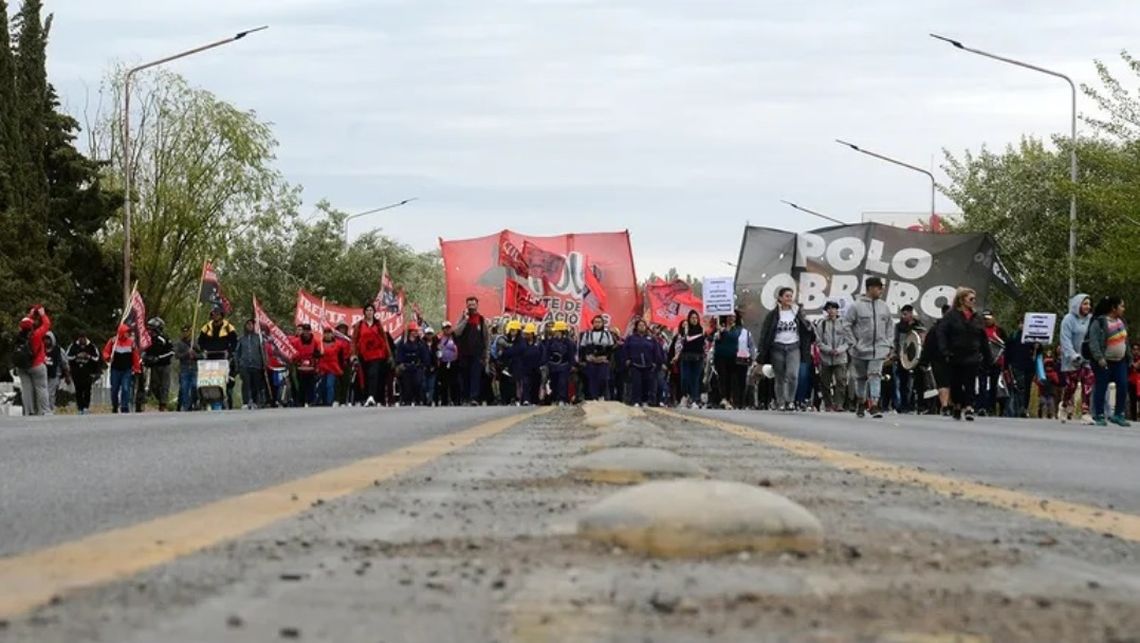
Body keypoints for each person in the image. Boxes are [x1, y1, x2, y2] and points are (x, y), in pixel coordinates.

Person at [937, 287, 990, 421]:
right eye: (971, 299)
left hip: (972, 354)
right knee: (956, 383)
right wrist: (944, 350)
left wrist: (987, 355)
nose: (973, 301)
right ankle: (957, 404)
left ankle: (969, 407)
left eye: (974, 299)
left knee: (970, 382)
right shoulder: (951, 316)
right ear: (962, 300)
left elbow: (983, 337)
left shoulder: (977, 317)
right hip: (955, 354)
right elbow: (941, 333)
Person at [757, 287, 814, 412]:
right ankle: (781, 401)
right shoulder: (772, 315)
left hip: (794, 347)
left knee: (793, 375)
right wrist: (761, 352)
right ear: (780, 298)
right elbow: (765, 334)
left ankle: (790, 401)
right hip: (777, 347)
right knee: (780, 376)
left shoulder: (797, 313)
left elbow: (807, 328)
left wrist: (805, 321)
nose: (789, 299)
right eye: (787, 296)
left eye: (791, 296)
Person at [844, 277, 893, 418]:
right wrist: (853, 343)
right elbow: (846, 325)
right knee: (860, 377)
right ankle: (861, 401)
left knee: (875, 374)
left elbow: (890, 325)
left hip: (879, 348)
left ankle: (874, 404)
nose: (881, 291)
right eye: (879, 288)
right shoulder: (856, 306)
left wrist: (889, 343)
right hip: (860, 349)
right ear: (870, 288)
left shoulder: (884, 306)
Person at [1087, 296, 1131, 427]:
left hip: (1120, 361)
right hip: (1104, 362)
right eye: (1121, 306)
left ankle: (1118, 414)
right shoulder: (1099, 322)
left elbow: (1125, 341)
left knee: (1123, 385)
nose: (1123, 309)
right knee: (1101, 387)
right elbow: (1093, 342)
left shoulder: (1121, 321)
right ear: (1113, 308)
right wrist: (1099, 358)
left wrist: (1128, 357)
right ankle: (1099, 414)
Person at [1059, 293, 1095, 424]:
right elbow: (1065, 339)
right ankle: (1064, 405)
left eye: (1089, 304)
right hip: (1072, 358)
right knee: (1071, 386)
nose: (1088, 306)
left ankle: (1085, 413)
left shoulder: (1091, 319)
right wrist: (1072, 354)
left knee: (1088, 383)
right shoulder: (1068, 319)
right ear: (1078, 305)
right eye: (1085, 304)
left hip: (1087, 358)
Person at [13, 305, 52, 416]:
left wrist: (30, 314)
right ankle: (44, 410)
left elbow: (25, 324)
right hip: (37, 364)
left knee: (26, 390)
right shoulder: (36, 335)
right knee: (41, 388)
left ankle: (28, 411)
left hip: (22, 366)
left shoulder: (18, 336)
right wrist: (42, 314)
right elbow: (47, 325)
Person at [198, 307, 239, 410]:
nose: (215, 316)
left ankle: (227, 401)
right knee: (208, 378)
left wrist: (230, 352)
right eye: (213, 314)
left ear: (221, 315)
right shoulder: (206, 327)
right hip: (209, 357)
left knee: (225, 380)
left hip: (223, 358)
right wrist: (203, 350)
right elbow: (200, 341)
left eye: (217, 314)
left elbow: (234, 341)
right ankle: (206, 398)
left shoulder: (229, 327)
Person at [353, 303, 393, 407]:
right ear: (364, 312)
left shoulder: (378, 324)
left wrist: (389, 355)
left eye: (371, 310)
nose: (369, 312)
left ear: (374, 312)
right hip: (364, 354)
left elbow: (384, 339)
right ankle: (367, 397)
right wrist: (353, 354)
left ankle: (372, 396)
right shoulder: (360, 325)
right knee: (365, 376)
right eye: (367, 310)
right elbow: (354, 340)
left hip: (377, 354)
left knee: (373, 374)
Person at [454, 296, 490, 406]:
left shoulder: (481, 319)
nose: (471, 307)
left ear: (477, 305)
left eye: (473, 304)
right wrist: (465, 320)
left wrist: (486, 355)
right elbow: (456, 332)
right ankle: (465, 398)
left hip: (477, 354)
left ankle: (474, 398)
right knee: (465, 376)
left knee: (475, 376)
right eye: (469, 304)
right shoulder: (462, 318)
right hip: (464, 353)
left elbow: (486, 338)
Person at [816, 301, 851, 412]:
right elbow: (818, 341)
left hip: (840, 358)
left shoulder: (844, 324)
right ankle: (828, 404)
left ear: (837, 310)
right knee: (825, 382)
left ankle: (839, 403)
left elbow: (848, 341)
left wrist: (839, 350)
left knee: (841, 380)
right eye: (829, 309)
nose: (831, 311)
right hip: (826, 358)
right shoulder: (822, 324)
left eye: (833, 309)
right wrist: (829, 350)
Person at [625, 319, 665, 407]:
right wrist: (627, 359)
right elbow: (626, 349)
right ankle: (636, 400)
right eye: (640, 325)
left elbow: (656, 351)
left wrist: (656, 362)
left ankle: (646, 400)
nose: (642, 327)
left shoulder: (651, 339)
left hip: (648, 365)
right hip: (635, 364)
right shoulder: (631, 338)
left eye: (643, 325)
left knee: (648, 383)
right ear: (636, 326)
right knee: (636, 383)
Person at [102, 324, 142, 414]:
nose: (128, 334)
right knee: (114, 389)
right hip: (115, 369)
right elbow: (105, 352)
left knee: (126, 388)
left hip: (126, 370)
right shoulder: (113, 341)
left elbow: (135, 356)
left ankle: (124, 406)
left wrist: (136, 368)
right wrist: (108, 357)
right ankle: (115, 405)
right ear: (122, 332)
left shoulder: (131, 343)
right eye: (127, 332)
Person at [975, 311, 1007, 417]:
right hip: (982, 362)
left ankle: (991, 408)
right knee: (982, 385)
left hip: (996, 362)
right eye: (984, 319)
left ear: (993, 318)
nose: (986, 321)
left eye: (988, 318)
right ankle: (981, 407)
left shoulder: (999, 330)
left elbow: (1006, 344)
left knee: (994, 386)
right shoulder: (979, 330)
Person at [892, 305, 924, 413]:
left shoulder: (918, 325)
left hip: (916, 357)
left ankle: (918, 404)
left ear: (911, 314)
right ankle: (904, 404)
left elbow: (921, 338)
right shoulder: (898, 326)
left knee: (917, 383)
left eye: (907, 313)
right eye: (903, 314)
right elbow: (896, 340)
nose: (904, 316)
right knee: (903, 383)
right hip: (903, 357)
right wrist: (896, 353)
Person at [671, 311, 706, 408]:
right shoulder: (684, 331)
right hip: (686, 357)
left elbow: (705, 345)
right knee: (685, 378)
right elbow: (679, 344)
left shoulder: (702, 330)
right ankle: (685, 396)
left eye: (696, 318)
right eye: (692, 318)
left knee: (695, 379)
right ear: (689, 319)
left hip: (698, 358)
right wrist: (676, 356)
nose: (694, 320)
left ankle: (694, 399)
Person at [1004, 318, 1037, 418]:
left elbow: (1037, 352)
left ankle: (1024, 408)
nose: (1022, 325)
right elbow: (1007, 352)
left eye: (1024, 323)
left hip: (1029, 367)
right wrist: (1006, 366)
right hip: (1017, 366)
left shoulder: (1032, 338)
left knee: (1027, 388)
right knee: (1020, 388)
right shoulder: (1013, 336)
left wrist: (1037, 347)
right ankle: (1019, 409)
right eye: (1021, 323)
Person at [581, 315, 618, 402]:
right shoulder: (587, 334)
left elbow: (611, 347)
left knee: (602, 378)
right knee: (592, 379)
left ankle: (601, 395)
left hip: (603, 359)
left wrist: (606, 357)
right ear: (592, 323)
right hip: (591, 359)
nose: (597, 324)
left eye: (599, 322)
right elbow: (583, 347)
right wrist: (585, 358)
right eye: (595, 322)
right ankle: (593, 397)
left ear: (602, 323)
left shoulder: (607, 334)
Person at [142, 318, 175, 412]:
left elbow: (171, 352)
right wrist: (146, 357)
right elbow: (144, 350)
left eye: (152, 329)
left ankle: (163, 405)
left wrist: (159, 358)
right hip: (153, 366)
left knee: (164, 385)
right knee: (154, 386)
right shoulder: (147, 339)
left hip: (164, 365)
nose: (150, 331)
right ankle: (159, 399)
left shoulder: (164, 338)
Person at [506, 323, 544, 405]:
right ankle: (526, 399)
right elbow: (516, 352)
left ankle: (534, 400)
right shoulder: (522, 343)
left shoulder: (539, 344)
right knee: (526, 383)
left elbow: (543, 355)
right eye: (525, 334)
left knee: (535, 384)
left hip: (536, 368)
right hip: (525, 368)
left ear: (533, 334)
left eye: (528, 334)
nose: (526, 335)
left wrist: (541, 364)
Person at [234, 319, 268, 409]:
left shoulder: (258, 338)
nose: (250, 326)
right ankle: (245, 402)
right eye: (248, 324)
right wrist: (237, 365)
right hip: (244, 365)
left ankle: (255, 401)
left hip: (256, 365)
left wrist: (264, 364)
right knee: (246, 384)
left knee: (255, 384)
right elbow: (237, 353)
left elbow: (262, 352)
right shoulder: (241, 339)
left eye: (251, 324)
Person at [66, 333, 102, 415]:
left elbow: (97, 358)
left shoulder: (92, 346)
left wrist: (88, 356)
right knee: (78, 390)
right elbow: (67, 357)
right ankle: (80, 407)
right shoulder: (73, 346)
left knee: (87, 390)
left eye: (84, 338)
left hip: (88, 373)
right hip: (76, 372)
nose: (82, 340)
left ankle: (86, 407)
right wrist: (76, 356)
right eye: (80, 338)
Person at [542, 320, 577, 405]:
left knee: (562, 382)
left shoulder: (569, 342)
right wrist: (545, 363)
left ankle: (562, 399)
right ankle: (554, 398)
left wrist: (572, 365)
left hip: (564, 366)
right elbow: (546, 353)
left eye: (557, 331)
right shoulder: (550, 342)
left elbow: (571, 354)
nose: (556, 333)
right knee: (554, 382)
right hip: (552, 366)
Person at [397, 322, 431, 406]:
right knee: (406, 386)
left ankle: (419, 400)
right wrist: (400, 364)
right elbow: (399, 355)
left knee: (418, 384)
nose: (415, 332)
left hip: (417, 367)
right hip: (406, 367)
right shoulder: (403, 343)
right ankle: (407, 401)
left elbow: (425, 356)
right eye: (413, 331)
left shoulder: (421, 343)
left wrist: (424, 364)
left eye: (416, 331)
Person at [289, 324, 322, 407]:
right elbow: (291, 351)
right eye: (304, 331)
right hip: (300, 367)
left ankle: (311, 401)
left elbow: (320, 353)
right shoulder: (296, 342)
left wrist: (316, 355)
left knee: (311, 385)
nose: (306, 333)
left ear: (310, 331)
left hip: (311, 368)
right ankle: (301, 401)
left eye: (308, 331)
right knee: (301, 385)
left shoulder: (316, 342)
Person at [493, 321, 521, 405]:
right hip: (504, 365)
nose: (512, 332)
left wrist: (507, 351)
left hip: (515, 365)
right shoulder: (504, 339)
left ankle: (513, 398)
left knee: (513, 382)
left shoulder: (520, 340)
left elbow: (516, 350)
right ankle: (504, 399)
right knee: (503, 382)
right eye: (511, 330)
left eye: (514, 330)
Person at [174, 326, 199, 412]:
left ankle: (195, 402)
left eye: (187, 332)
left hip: (194, 368)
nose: (185, 333)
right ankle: (186, 406)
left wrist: (195, 355)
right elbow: (177, 356)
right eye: (184, 332)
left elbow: (202, 355)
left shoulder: (195, 343)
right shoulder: (179, 344)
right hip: (184, 368)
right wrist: (186, 354)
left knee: (194, 386)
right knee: (184, 388)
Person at [42, 333, 69, 415]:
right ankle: (43, 409)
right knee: (42, 393)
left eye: (48, 339)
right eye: (45, 339)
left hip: (55, 374)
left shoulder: (59, 350)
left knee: (50, 393)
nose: (46, 341)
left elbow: (65, 363)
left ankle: (50, 409)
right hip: (42, 375)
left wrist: (67, 375)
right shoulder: (40, 349)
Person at [436, 321, 461, 406]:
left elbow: (458, 348)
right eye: (445, 328)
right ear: (443, 329)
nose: (447, 330)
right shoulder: (439, 338)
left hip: (453, 362)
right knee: (444, 383)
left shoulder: (454, 337)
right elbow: (437, 349)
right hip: (443, 363)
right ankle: (444, 401)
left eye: (448, 328)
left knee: (454, 382)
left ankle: (455, 400)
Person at [422, 327, 439, 406]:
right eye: (427, 334)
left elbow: (438, 355)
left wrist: (435, 365)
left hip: (433, 367)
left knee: (431, 386)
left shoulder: (436, 344)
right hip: (424, 367)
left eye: (430, 334)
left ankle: (430, 400)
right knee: (424, 385)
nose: (429, 336)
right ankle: (425, 399)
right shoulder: (422, 344)